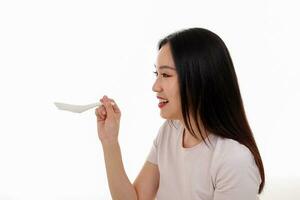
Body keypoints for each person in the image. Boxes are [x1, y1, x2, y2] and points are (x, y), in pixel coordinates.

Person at [95, 27, 265, 200]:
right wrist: (110, 142)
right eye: (157, 74)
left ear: (199, 79)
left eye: (166, 75)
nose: (155, 86)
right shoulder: (170, 131)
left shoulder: (233, 160)